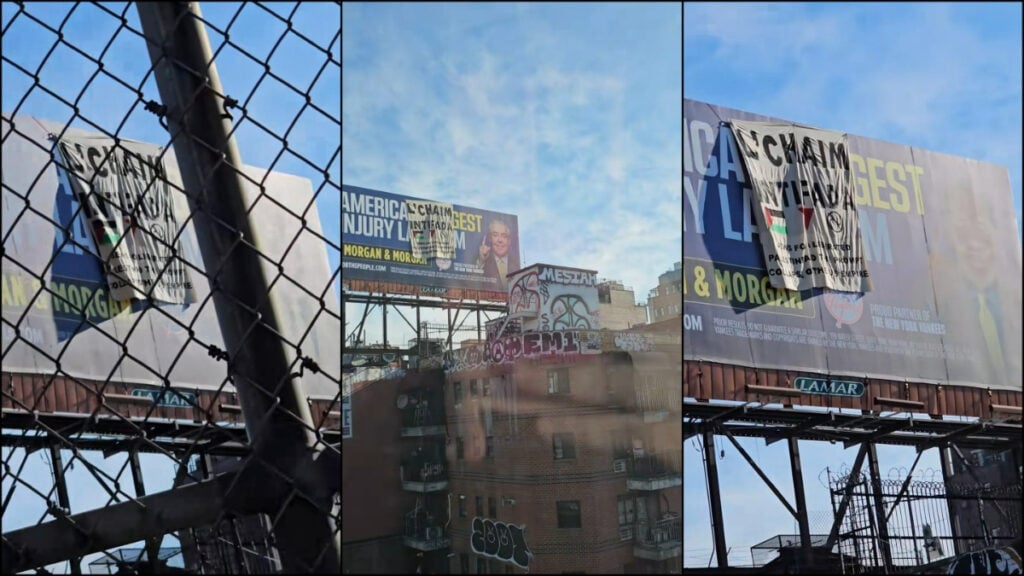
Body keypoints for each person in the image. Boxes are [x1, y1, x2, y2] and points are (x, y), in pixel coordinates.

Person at [476, 218, 515, 291]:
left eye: (504, 236)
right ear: (490, 238)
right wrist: (481, 261)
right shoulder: (483, 261)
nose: (500, 240)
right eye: (495, 235)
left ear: (509, 241)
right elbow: (471, 284)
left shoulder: (516, 263)